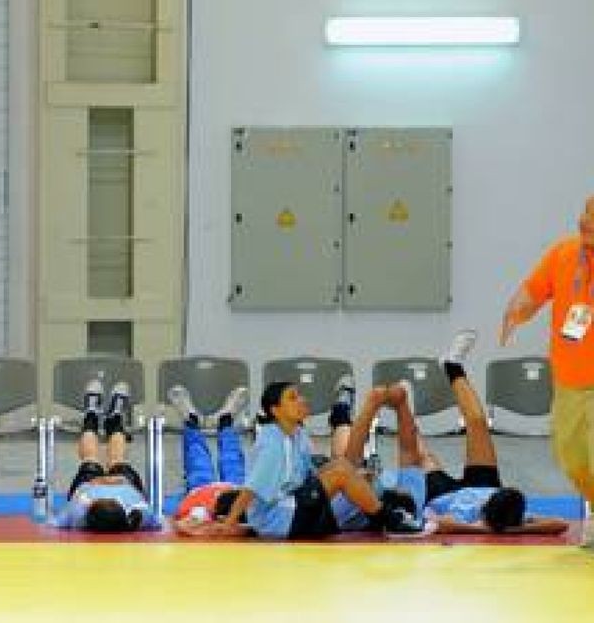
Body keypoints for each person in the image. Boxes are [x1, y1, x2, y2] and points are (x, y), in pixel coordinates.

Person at [196, 379, 421, 539]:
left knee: (342, 468)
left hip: (296, 511)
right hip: (280, 521)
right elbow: (252, 488)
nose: (301, 401)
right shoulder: (272, 442)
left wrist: (350, 476)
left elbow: (308, 477)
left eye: (300, 396)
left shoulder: (299, 436)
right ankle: (390, 519)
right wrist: (229, 523)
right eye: (293, 398)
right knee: (342, 469)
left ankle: (388, 516)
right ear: (275, 410)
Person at [500, 194, 594, 546]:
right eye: (584, 213)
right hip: (569, 381)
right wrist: (515, 312)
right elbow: (533, 291)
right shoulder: (563, 254)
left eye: (593, 216)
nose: (584, 220)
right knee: (572, 459)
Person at [419, 330, 569, 536]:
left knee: (424, 455)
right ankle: (451, 365)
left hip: (443, 495)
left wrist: (479, 529)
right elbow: (560, 523)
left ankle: (405, 407)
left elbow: (440, 524)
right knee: (478, 422)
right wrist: (513, 529)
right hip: (484, 484)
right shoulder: (509, 512)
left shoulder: (464, 517)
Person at [51, 379, 164, 532]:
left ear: (88, 509)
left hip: (92, 484)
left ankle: (91, 416)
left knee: (91, 460)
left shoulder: (77, 512)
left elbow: (49, 526)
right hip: (124, 483)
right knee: (116, 461)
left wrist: (94, 484)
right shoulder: (142, 513)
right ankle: (114, 418)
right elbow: (161, 525)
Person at [168, 386, 248, 524]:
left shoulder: (198, 512)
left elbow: (179, 521)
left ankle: (191, 421)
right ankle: (226, 421)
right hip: (235, 492)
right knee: (232, 463)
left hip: (202, 492)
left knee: (198, 464)